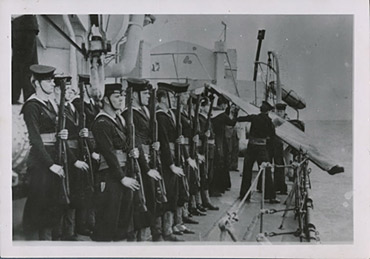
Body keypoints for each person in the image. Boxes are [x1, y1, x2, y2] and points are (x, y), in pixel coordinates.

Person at [21, 64, 69, 240]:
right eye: (47, 81)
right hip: (41, 162)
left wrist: (60, 134)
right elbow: (35, 139)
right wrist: (51, 165)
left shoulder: (50, 104)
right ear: (37, 83)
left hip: (53, 157)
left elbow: (51, 130)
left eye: (51, 80)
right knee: (38, 201)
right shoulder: (32, 106)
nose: (51, 84)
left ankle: (47, 240)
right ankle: (32, 243)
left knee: (51, 202)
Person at [90, 83, 140, 241]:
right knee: (109, 219)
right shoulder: (102, 122)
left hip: (122, 171)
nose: (121, 100)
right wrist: (122, 177)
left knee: (122, 218)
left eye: (122, 96)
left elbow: (123, 145)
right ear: (106, 99)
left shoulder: (118, 119)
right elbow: (109, 153)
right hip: (111, 175)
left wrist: (132, 151)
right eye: (117, 97)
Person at [122, 78, 162, 241]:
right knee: (141, 200)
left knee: (150, 198)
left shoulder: (144, 111)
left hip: (148, 158)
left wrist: (155, 144)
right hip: (138, 163)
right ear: (135, 95)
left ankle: (147, 234)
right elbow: (136, 140)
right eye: (144, 93)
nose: (148, 97)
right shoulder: (129, 113)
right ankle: (139, 238)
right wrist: (146, 168)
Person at [156, 83, 188, 241]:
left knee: (173, 192)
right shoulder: (160, 116)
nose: (174, 100)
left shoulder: (169, 114)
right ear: (163, 99)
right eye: (171, 97)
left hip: (173, 156)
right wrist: (170, 164)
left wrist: (179, 140)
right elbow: (163, 140)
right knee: (167, 193)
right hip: (166, 158)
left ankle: (169, 227)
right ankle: (165, 230)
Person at [71, 74, 100, 236]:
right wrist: (91, 150)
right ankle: (81, 225)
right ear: (85, 87)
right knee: (84, 188)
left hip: (94, 148)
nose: (95, 90)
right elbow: (83, 130)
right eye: (92, 86)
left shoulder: (93, 104)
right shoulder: (78, 104)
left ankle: (91, 221)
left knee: (92, 188)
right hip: (85, 150)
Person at [237, 101, 280, 204]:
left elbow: (242, 118)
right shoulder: (269, 121)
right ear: (268, 111)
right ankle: (270, 196)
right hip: (261, 148)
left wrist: (235, 118)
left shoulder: (254, 117)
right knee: (267, 170)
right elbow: (272, 136)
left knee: (247, 170)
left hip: (251, 147)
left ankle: (244, 194)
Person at [210, 95, 237, 196]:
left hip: (214, 139)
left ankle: (218, 186)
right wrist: (236, 113)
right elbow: (232, 123)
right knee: (221, 162)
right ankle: (219, 186)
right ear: (223, 105)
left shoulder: (213, 113)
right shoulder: (222, 115)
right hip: (220, 140)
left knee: (215, 163)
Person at [198, 97, 219, 210]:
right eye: (207, 105)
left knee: (209, 174)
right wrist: (203, 134)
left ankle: (206, 198)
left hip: (210, 148)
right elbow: (198, 133)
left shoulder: (207, 118)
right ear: (202, 107)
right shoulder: (200, 118)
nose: (208, 107)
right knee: (204, 174)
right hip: (204, 148)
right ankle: (204, 200)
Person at [273, 103, 288, 195]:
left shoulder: (286, 121)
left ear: (284, 112)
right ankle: (277, 186)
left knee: (281, 166)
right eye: (278, 111)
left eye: (281, 111)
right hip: (275, 145)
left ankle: (281, 187)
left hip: (283, 146)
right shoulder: (274, 120)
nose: (279, 113)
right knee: (277, 166)